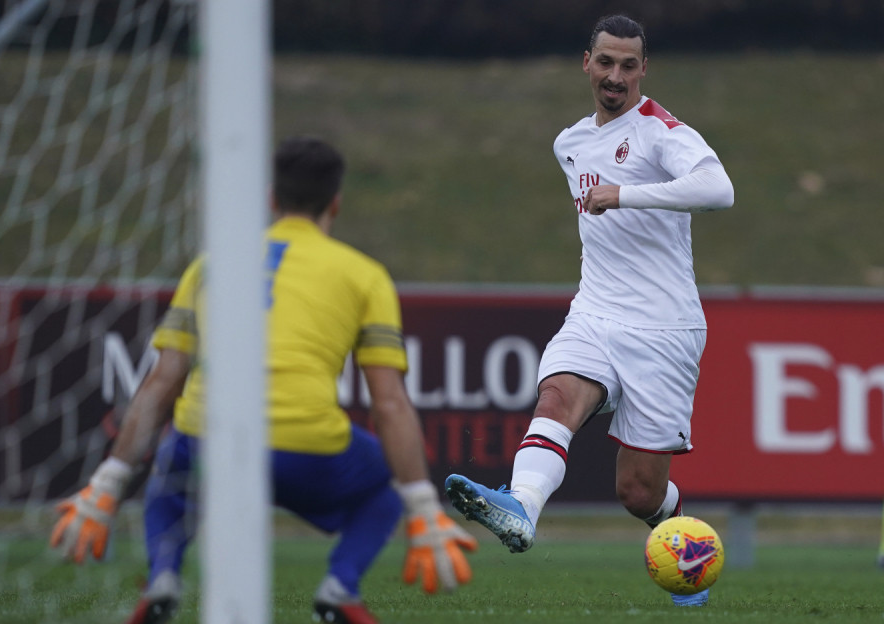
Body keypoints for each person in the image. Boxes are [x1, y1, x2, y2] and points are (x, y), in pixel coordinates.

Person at [51, 136, 477, 624]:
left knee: (171, 466)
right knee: (381, 483)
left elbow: (161, 384)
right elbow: (390, 403)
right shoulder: (365, 275)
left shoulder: (210, 266)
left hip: (211, 441)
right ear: (335, 203)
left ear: (272, 200)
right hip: (305, 446)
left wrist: (108, 481)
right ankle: (340, 590)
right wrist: (421, 505)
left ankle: (164, 577)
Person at [444, 14, 733, 608]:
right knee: (555, 396)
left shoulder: (661, 131)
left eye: (629, 65)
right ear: (587, 62)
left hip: (665, 330)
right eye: (606, 62)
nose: (616, 76)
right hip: (596, 312)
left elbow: (719, 189)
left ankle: (688, 547)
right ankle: (521, 508)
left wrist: (625, 194)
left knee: (636, 492)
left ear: (643, 70)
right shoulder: (570, 142)